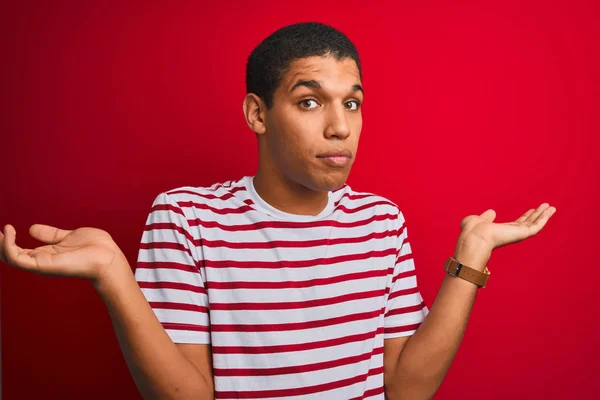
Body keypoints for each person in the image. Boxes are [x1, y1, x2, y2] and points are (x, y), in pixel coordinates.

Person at [0, 21, 556, 400]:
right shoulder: (188, 218)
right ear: (257, 114)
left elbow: (407, 388)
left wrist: (470, 259)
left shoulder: (382, 221)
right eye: (310, 101)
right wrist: (114, 277)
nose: (339, 126)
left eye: (353, 102)